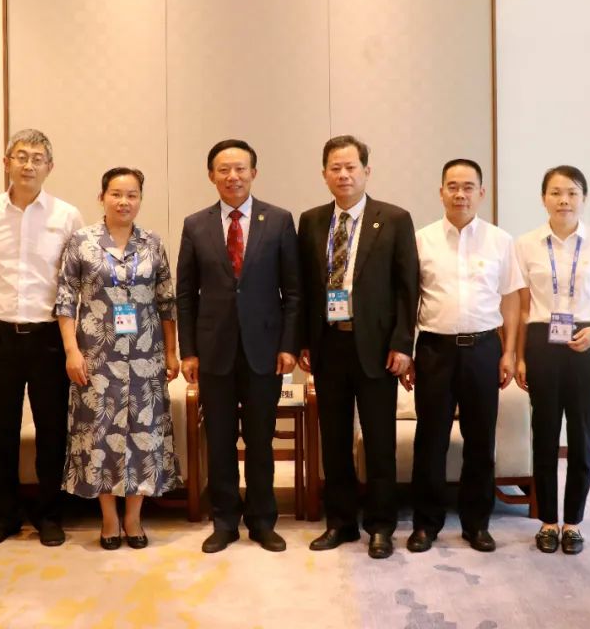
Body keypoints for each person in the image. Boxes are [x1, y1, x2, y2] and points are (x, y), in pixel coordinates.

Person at [177, 139, 301, 554]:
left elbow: (294, 291)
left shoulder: (279, 220)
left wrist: (288, 345)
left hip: (265, 350)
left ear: (254, 173)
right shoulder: (195, 225)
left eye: (240, 169)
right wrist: (188, 351)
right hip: (214, 351)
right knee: (220, 440)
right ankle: (225, 521)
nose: (233, 176)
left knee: (261, 440)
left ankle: (263, 521)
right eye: (224, 170)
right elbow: (185, 294)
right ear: (211, 175)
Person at [298, 135, 418, 560]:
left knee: (380, 441)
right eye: (335, 168)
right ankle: (341, 522)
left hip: (378, 348)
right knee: (334, 442)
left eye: (351, 167)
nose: (344, 175)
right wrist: (303, 341)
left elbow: (407, 288)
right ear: (324, 174)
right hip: (328, 345)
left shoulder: (395, 219)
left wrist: (403, 343)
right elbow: (304, 288)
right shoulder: (311, 221)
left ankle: (381, 526)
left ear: (367, 171)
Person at [55, 167, 182, 550]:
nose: (124, 201)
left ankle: (134, 518)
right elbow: (65, 300)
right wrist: (71, 350)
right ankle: (109, 518)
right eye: (116, 194)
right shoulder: (82, 241)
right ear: (102, 197)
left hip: (146, 354)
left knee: (144, 433)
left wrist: (171, 351)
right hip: (96, 354)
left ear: (140, 199)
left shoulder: (152, 243)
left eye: (132, 195)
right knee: (101, 433)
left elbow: (166, 301)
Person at [403, 159, 524, 554]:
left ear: (481, 193)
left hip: (484, 349)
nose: (460, 194)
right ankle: (426, 524)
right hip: (434, 349)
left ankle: (477, 524)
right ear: (441, 192)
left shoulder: (500, 241)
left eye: (468, 187)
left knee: (480, 440)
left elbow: (511, 299)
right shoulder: (421, 240)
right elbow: (409, 300)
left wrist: (509, 351)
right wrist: (407, 351)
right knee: (431, 440)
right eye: (452, 186)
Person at [0, 129, 83, 547]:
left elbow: (72, 280)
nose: (28, 165)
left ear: (49, 167)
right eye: (21, 156)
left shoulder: (66, 215)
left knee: (53, 428)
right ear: (7, 163)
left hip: (48, 335)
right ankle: (2, 516)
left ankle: (49, 514)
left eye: (37, 158)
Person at [514, 165, 590, 555]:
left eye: (572, 193)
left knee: (581, 434)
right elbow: (522, 306)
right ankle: (547, 521)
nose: (564, 200)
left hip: (585, 340)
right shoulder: (525, 244)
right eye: (556, 192)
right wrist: (520, 355)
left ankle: (573, 522)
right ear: (544, 198)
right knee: (543, 434)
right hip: (542, 341)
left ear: (584, 198)